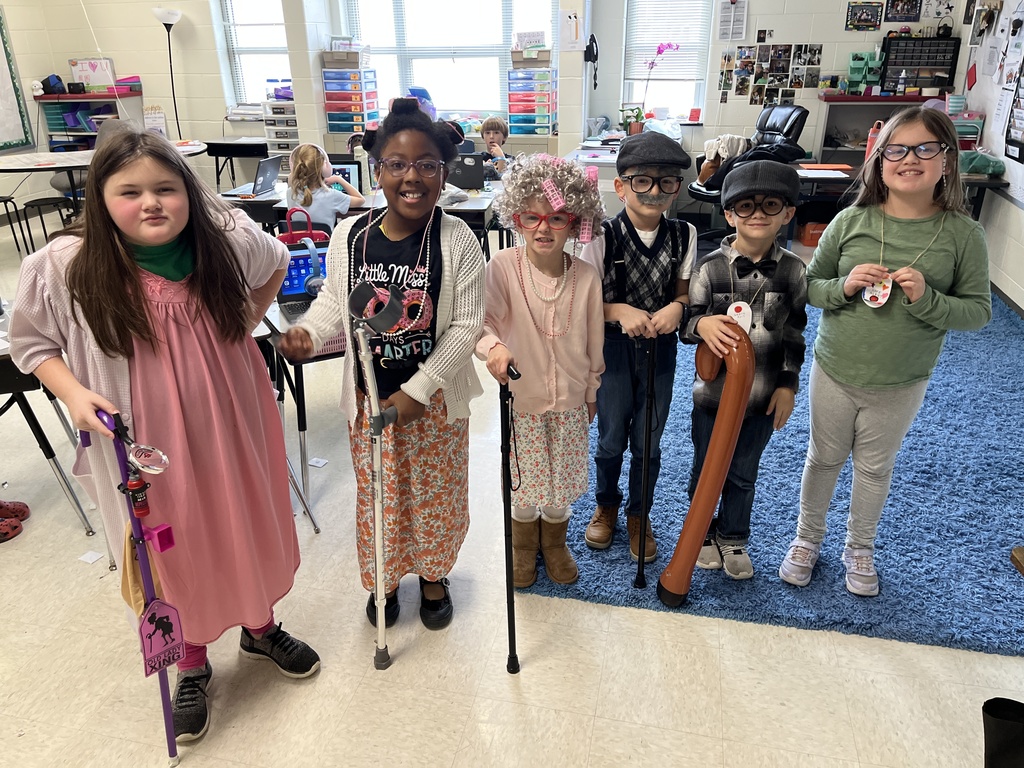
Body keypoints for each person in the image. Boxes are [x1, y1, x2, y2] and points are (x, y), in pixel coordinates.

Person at [9, 128, 319, 743]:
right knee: (172, 540)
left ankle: (260, 627)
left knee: (243, 514)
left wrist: (241, 321)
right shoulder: (64, 265)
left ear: (188, 192)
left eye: (165, 188)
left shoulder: (223, 239)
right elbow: (33, 344)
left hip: (232, 414)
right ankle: (192, 659)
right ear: (100, 198)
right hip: (143, 437)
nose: (151, 202)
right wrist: (72, 394)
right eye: (129, 192)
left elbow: (276, 262)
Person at [278, 98, 485, 630]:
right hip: (371, 402)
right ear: (377, 171)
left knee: (435, 496)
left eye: (426, 165)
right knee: (381, 497)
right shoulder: (353, 236)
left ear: (443, 172)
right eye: (397, 164)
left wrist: (419, 390)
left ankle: (435, 576)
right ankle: (385, 579)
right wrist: (307, 332)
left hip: (433, 406)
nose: (411, 177)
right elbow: (333, 306)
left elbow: (465, 326)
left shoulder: (457, 239)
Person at [778, 106, 992, 596]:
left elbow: (978, 313)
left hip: (902, 378)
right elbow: (808, 287)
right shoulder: (852, 220)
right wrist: (845, 287)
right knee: (824, 457)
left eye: (925, 148)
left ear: (947, 160)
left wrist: (928, 300)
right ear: (879, 159)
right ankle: (806, 539)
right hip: (835, 367)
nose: (909, 159)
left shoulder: (963, 235)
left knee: (875, 467)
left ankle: (860, 547)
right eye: (896, 149)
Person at [477, 153, 606, 587]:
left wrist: (591, 393)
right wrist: (493, 347)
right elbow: (484, 323)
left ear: (576, 220)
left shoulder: (586, 276)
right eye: (531, 218)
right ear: (516, 219)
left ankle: (555, 543)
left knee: (562, 481)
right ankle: (523, 546)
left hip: (571, 399)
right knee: (524, 481)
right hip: (523, 398)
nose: (543, 228)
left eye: (556, 218)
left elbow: (594, 341)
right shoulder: (502, 268)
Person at [682, 160, 807, 580]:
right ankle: (699, 532)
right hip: (713, 396)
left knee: (742, 472)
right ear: (729, 213)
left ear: (788, 213)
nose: (757, 214)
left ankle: (733, 536)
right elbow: (688, 322)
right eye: (745, 206)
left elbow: (794, 332)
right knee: (705, 466)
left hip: (760, 398)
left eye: (770, 205)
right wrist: (701, 323)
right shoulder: (710, 268)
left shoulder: (793, 270)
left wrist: (788, 385)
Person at [580, 131, 696, 562]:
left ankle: (639, 513)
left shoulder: (684, 234)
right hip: (612, 351)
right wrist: (619, 311)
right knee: (611, 437)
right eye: (641, 181)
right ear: (621, 185)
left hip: (660, 353)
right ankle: (606, 503)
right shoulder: (602, 236)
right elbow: (584, 303)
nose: (654, 191)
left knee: (649, 439)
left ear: (677, 187)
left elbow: (684, 294)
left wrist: (678, 309)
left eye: (667, 182)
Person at [285, 142, 364, 229]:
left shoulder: (290, 193)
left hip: (298, 242)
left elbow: (291, 181)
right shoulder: (332, 195)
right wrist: (339, 179)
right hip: (326, 242)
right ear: (324, 169)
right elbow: (361, 200)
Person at [480, 115, 511, 180]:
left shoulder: (511, 161)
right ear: (483, 137)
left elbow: (504, 181)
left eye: (496, 133)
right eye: (487, 133)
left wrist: (501, 159)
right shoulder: (477, 158)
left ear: (504, 137)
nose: (491, 136)